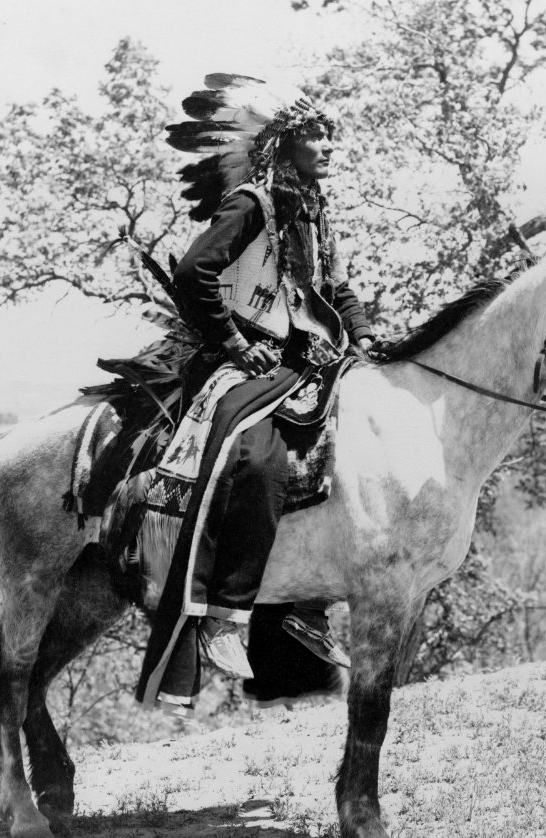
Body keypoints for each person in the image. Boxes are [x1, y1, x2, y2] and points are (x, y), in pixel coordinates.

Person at [153, 74, 373, 686]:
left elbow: (336, 287)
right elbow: (196, 271)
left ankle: (307, 604)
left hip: (305, 354)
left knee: (349, 446)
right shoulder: (253, 204)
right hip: (241, 355)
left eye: (331, 135)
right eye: (317, 135)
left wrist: (366, 335)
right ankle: (224, 615)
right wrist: (233, 342)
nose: (329, 145)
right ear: (286, 142)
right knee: (261, 455)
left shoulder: (313, 209)